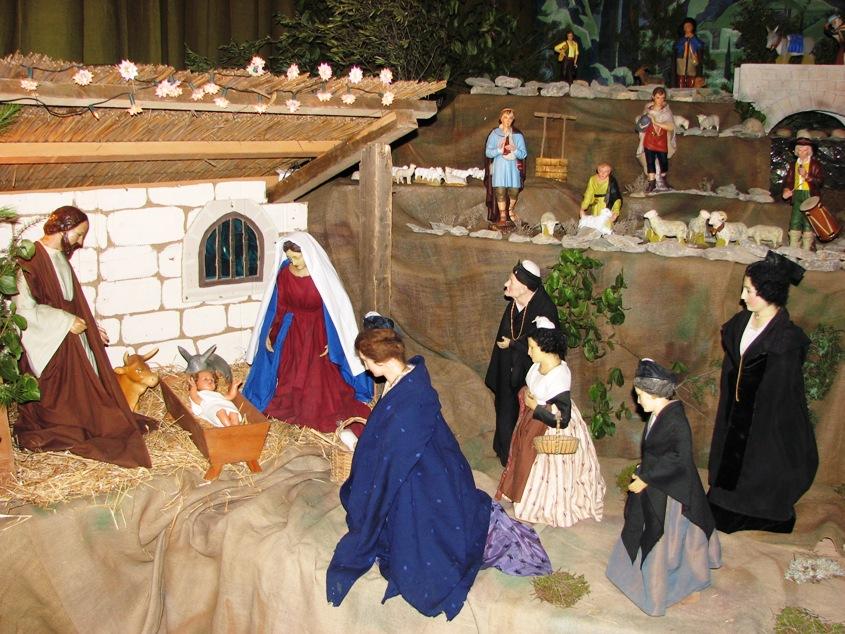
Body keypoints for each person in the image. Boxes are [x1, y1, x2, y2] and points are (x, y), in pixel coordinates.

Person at [327, 328, 552, 620]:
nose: (365, 367)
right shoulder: (403, 378)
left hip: (422, 471)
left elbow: (397, 455)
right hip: (424, 458)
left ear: (383, 361)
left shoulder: (412, 395)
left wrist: (376, 479)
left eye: (366, 361)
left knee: (421, 541)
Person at [14, 206, 152, 468]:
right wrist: (66, 321)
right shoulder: (29, 262)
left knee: (93, 394)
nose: (80, 241)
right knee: (71, 404)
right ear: (63, 228)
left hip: (71, 339)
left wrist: (90, 327)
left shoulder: (60, 258)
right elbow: (24, 311)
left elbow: (73, 303)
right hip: (51, 343)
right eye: (78, 234)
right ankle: (70, 422)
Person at [707, 251, 818, 534]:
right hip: (735, 415)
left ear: (769, 293)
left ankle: (755, 509)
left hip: (765, 420)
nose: (742, 297)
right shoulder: (740, 324)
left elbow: (784, 393)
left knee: (759, 461)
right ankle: (725, 498)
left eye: (749, 291)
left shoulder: (785, 341)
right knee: (730, 464)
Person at [606, 359, 721, 617]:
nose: (638, 401)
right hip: (657, 481)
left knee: (671, 539)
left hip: (674, 490)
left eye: (641, 396)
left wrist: (647, 477)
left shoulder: (676, 420)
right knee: (644, 525)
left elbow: (680, 458)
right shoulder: (658, 415)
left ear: (655, 394)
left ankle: (684, 584)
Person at [243, 232, 373, 432]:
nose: (293, 262)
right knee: (290, 367)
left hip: (317, 330)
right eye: (290, 258)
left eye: (297, 257)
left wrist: (333, 340)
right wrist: (273, 331)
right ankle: (292, 400)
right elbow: (280, 305)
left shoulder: (321, 276)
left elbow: (334, 312)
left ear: (308, 254)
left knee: (316, 373)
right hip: (292, 329)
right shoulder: (285, 273)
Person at [496, 318, 605, 528]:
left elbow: (563, 419)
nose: (529, 352)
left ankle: (544, 503)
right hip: (532, 420)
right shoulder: (539, 364)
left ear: (545, 348)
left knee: (544, 467)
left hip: (550, 428)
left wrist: (537, 408)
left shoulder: (559, 376)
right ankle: (520, 492)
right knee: (523, 455)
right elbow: (530, 373)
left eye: (532, 348)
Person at [486, 260, 561, 466]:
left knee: (525, 418)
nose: (506, 285)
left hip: (530, 375)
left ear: (525, 287)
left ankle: (523, 460)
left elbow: (547, 348)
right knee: (505, 410)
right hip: (507, 370)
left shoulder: (545, 310)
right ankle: (505, 454)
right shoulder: (513, 307)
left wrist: (514, 345)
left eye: (511, 281)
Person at [484, 107, 528, 229]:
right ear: (501, 119)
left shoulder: (517, 135)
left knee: (514, 190)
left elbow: (523, 154)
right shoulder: (494, 134)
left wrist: (515, 149)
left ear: (513, 120)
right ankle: (503, 216)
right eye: (505, 117)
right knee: (500, 190)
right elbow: (488, 152)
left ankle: (510, 210)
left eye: (510, 118)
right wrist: (499, 150)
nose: (508, 120)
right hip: (499, 167)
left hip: (513, 167)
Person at [781, 138, 824, 250]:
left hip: (809, 194)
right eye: (799, 150)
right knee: (795, 219)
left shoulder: (815, 165)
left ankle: (807, 247)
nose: (802, 153)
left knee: (808, 220)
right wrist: (786, 189)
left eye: (805, 150)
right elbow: (789, 180)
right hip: (797, 194)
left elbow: (819, 181)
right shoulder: (793, 165)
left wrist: (806, 176)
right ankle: (793, 245)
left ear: (809, 151)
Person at [636, 87, 676, 193]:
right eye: (658, 97)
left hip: (661, 141)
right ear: (653, 97)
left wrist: (656, 122)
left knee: (664, 162)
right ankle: (652, 183)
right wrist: (643, 122)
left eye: (662, 98)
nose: (660, 100)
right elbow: (641, 125)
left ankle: (663, 179)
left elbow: (671, 126)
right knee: (650, 162)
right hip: (649, 140)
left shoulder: (667, 112)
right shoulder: (647, 110)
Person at [674, 18, 705, 88]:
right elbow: (677, 47)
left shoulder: (695, 39)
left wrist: (692, 37)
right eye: (686, 26)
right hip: (681, 62)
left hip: (692, 62)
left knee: (691, 82)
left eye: (689, 26)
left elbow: (700, 45)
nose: (687, 27)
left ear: (693, 27)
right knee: (681, 82)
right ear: (683, 28)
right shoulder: (681, 40)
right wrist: (685, 38)